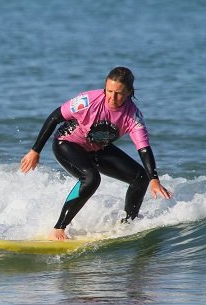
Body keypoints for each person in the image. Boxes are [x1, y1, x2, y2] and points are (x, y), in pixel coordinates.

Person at [20, 66, 172, 241]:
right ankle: (58, 228)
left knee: (141, 177)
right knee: (91, 178)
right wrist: (35, 151)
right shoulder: (87, 101)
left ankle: (129, 223)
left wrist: (154, 178)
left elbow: (143, 147)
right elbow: (55, 117)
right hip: (67, 143)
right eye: (109, 91)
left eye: (119, 93)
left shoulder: (133, 116)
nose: (112, 97)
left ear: (129, 92)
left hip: (97, 148)